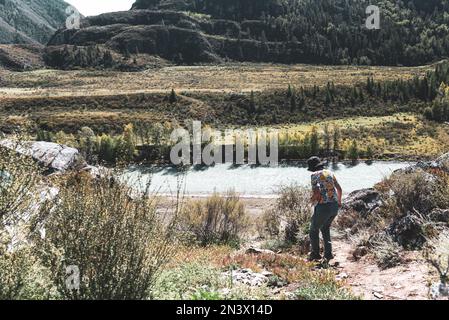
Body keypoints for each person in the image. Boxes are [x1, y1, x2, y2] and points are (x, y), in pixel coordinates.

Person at [307, 156, 343, 262]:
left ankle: (315, 254)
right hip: (334, 206)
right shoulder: (330, 173)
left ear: (313, 168)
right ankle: (328, 254)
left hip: (323, 206)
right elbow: (339, 189)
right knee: (325, 228)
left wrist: (311, 200)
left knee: (313, 230)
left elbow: (317, 193)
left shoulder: (314, 175)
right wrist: (339, 202)